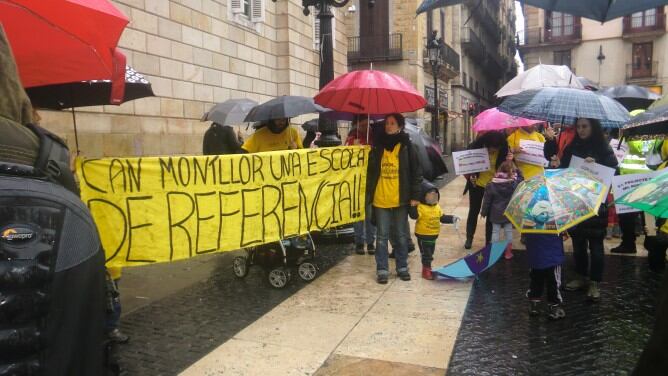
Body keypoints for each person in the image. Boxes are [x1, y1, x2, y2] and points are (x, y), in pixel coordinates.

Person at [552, 118, 618, 301]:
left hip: (596, 205)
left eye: (585, 126)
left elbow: (614, 172)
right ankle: (580, 276)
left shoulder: (604, 148)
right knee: (578, 244)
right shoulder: (573, 147)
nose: (581, 130)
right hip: (576, 202)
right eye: (578, 127)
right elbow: (564, 171)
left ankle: (595, 282)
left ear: (593, 127)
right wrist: (557, 164)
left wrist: (596, 165)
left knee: (596, 246)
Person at [367, 113, 422, 284]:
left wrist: (414, 196)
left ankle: (402, 267)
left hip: (401, 199)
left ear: (400, 126)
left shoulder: (407, 146)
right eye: (387, 123)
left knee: (400, 235)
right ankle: (382, 269)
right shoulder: (377, 147)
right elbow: (369, 171)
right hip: (380, 199)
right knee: (382, 236)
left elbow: (416, 173)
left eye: (392, 123)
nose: (388, 126)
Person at [464, 131, 509, 249]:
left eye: (495, 149)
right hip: (477, 184)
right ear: (485, 144)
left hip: (493, 186)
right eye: (490, 148)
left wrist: (509, 161)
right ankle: (469, 237)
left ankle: (488, 242)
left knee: (490, 215)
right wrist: (471, 174)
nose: (492, 151)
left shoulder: (504, 151)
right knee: (474, 210)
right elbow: (465, 164)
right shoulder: (475, 147)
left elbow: (507, 171)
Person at [409, 181, 458, 280]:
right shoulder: (421, 207)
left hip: (433, 235)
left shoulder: (437, 207)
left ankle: (428, 268)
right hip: (423, 235)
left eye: (435, 196)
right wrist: (413, 206)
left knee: (430, 253)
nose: (433, 198)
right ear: (424, 196)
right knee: (426, 255)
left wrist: (453, 218)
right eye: (430, 196)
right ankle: (426, 270)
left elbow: (442, 217)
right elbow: (414, 216)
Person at [481, 160, 521, 260]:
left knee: (495, 232)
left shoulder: (491, 184)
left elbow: (487, 200)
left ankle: (494, 253)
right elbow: (522, 179)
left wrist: (484, 212)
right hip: (508, 213)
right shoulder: (513, 184)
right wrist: (518, 171)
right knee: (508, 232)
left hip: (495, 213)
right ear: (512, 171)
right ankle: (508, 253)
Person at [347, 117, 375, 255]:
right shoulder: (352, 137)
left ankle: (370, 242)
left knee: (370, 214)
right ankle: (359, 242)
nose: (365, 127)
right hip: (356, 181)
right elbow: (345, 157)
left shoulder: (374, 136)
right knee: (358, 214)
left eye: (366, 124)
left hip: (370, 181)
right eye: (362, 124)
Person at [525, 233, 566, 320]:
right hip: (553, 254)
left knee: (535, 279)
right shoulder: (555, 219)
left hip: (534, 253)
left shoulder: (529, 219)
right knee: (553, 282)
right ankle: (554, 306)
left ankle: (534, 304)